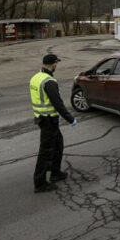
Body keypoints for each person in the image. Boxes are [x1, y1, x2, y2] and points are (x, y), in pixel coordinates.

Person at [29, 54, 77, 193]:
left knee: (58, 145)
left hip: (42, 118)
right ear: (52, 64)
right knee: (45, 152)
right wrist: (70, 119)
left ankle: (55, 173)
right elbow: (58, 104)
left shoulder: (35, 77)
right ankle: (40, 183)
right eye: (56, 63)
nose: (57, 66)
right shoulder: (49, 82)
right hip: (48, 120)